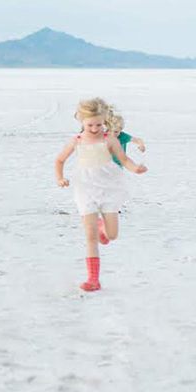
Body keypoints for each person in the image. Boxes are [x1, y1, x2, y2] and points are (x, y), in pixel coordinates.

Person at [54, 97, 147, 291]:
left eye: (99, 124)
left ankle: (102, 227)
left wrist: (135, 168)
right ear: (81, 121)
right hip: (85, 187)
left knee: (112, 235)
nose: (95, 129)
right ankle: (93, 279)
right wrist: (60, 178)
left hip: (109, 186)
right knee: (90, 236)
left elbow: (124, 158)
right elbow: (60, 160)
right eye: (90, 125)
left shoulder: (109, 139)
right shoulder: (76, 141)